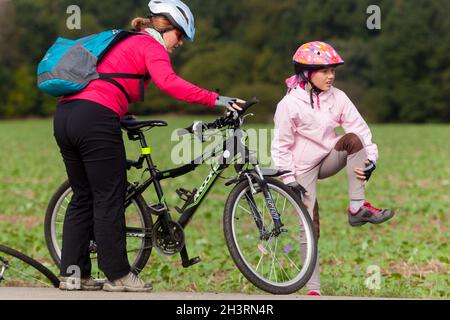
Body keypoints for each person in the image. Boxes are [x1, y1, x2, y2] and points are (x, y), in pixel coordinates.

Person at [55, 0, 244, 292]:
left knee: (83, 196)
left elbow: (106, 81)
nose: (180, 43)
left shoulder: (126, 41)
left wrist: (121, 114)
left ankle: (73, 274)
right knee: (109, 196)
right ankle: (118, 275)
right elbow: (169, 83)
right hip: (95, 119)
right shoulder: (149, 45)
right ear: (166, 26)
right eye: (180, 35)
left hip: (66, 117)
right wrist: (215, 99)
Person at [271, 41, 395, 296]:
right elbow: (281, 145)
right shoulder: (288, 104)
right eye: (324, 71)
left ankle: (357, 208)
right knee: (309, 225)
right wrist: (288, 178)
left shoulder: (337, 96)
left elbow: (359, 127)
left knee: (354, 140)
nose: (331, 76)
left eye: (333, 71)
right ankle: (313, 290)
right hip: (299, 168)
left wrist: (370, 160)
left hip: (328, 157)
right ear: (306, 72)